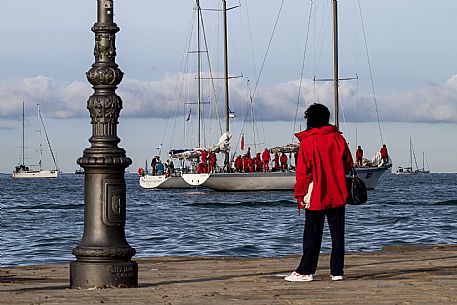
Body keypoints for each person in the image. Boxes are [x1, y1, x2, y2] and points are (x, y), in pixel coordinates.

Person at [285, 103, 353, 283]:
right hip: (337, 190)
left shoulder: (308, 141)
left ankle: (306, 270)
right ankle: (337, 271)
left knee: (312, 233)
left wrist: (300, 195)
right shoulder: (338, 139)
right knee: (338, 234)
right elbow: (348, 164)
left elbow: (303, 173)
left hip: (317, 192)